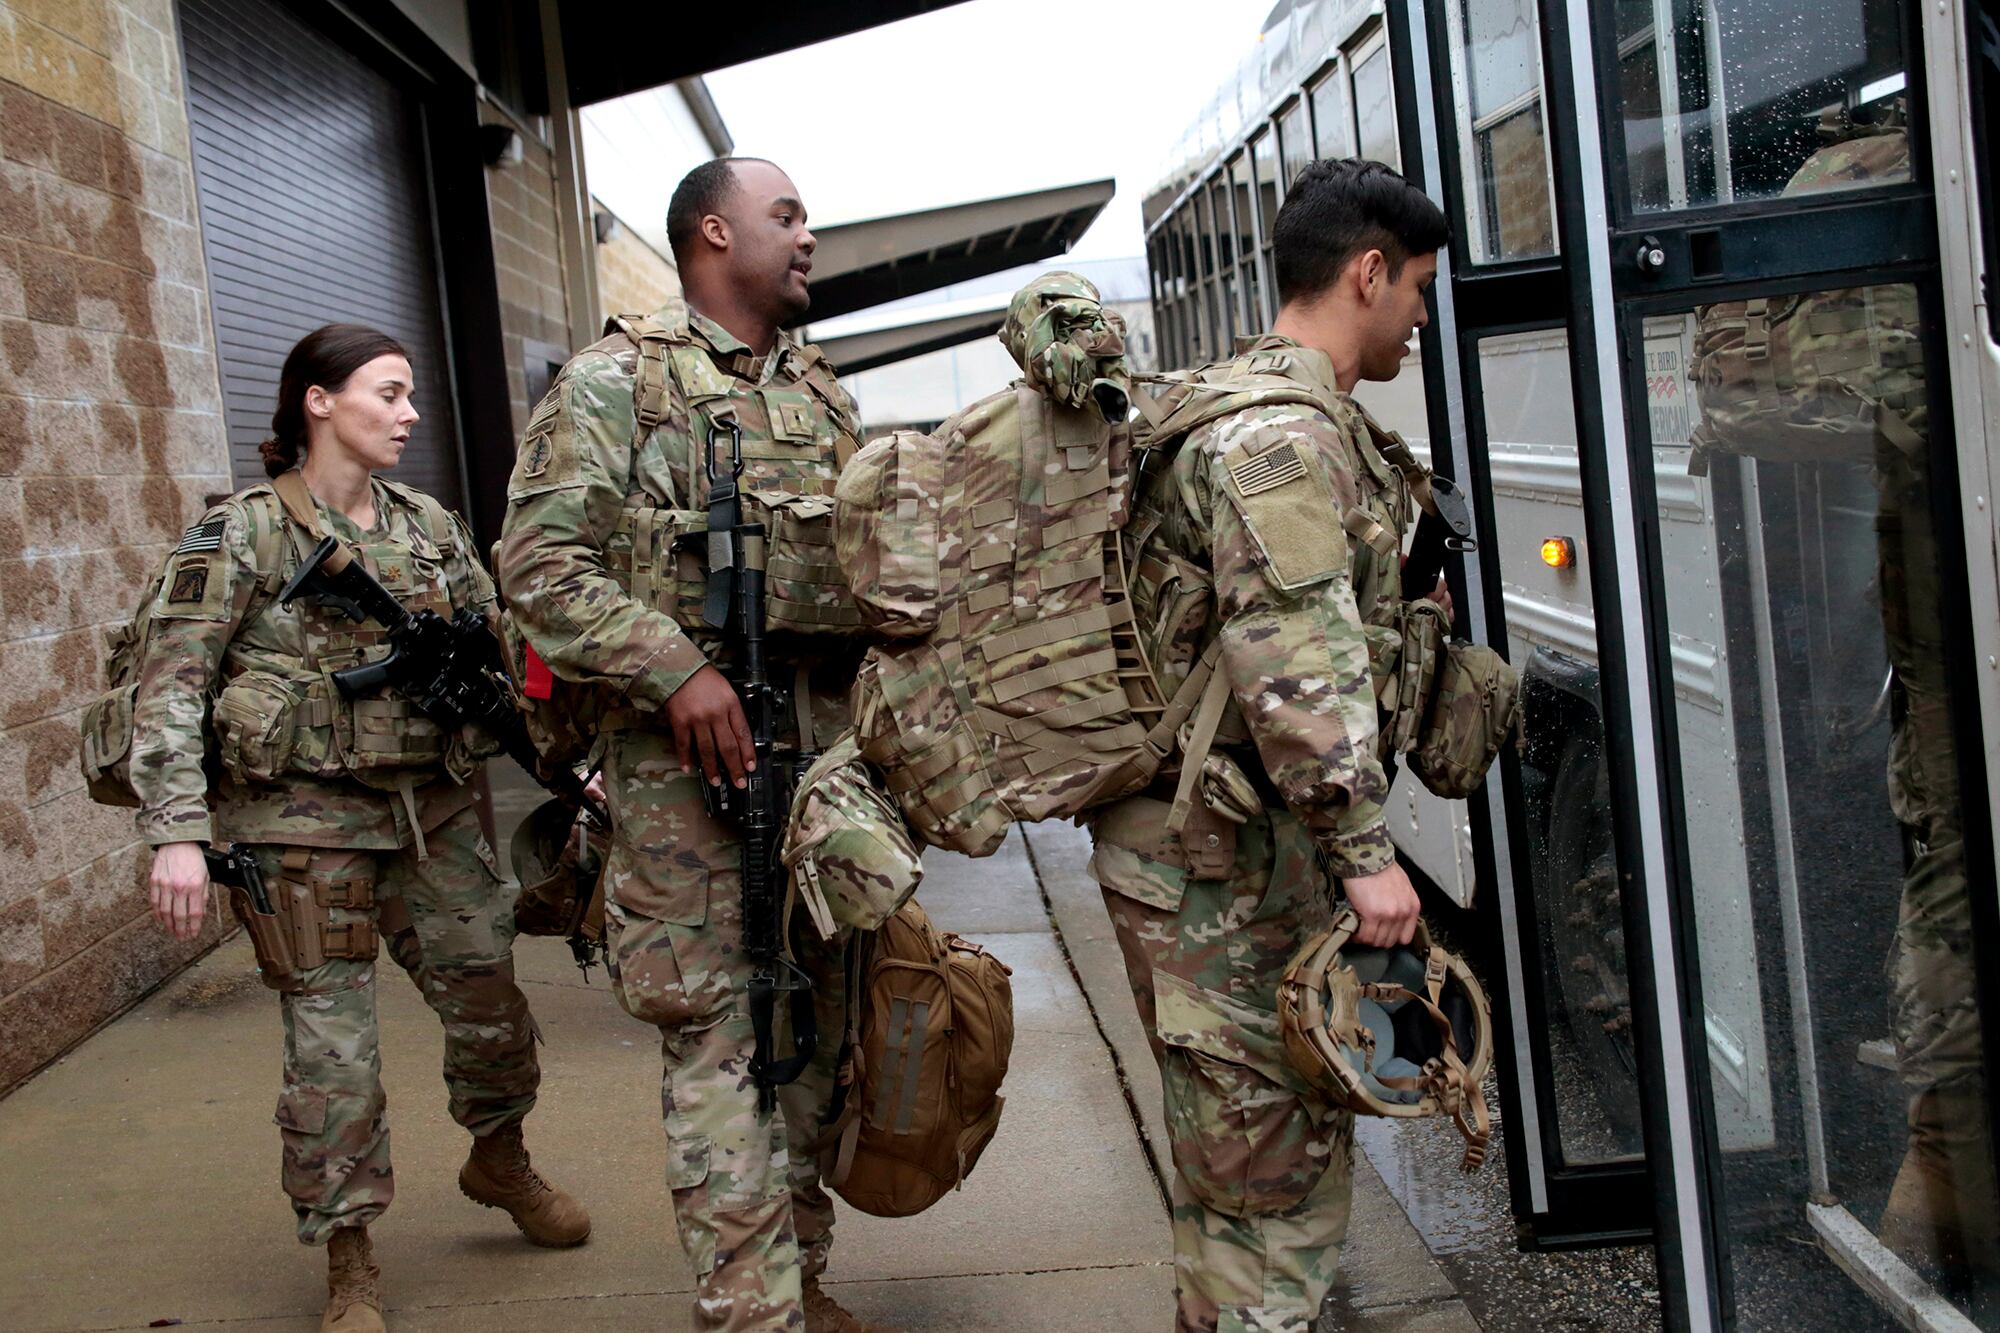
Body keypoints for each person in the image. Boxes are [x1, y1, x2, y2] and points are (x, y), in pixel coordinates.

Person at [132, 324, 589, 1333]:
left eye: (412, 395)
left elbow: (501, 662)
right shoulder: (241, 535)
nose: (409, 413)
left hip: (430, 817)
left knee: (493, 1011)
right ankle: (350, 1257)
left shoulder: (428, 525)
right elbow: (169, 689)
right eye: (387, 393)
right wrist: (175, 832)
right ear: (319, 401)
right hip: (303, 831)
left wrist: (571, 760)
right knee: (331, 1058)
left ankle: (498, 1156)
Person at [497, 158, 882, 1333]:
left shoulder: (822, 398)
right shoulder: (619, 383)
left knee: (818, 1043)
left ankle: (797, 1279)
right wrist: (678, 669)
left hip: (822, 778)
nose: (808, 236)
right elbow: (535, 568)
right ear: (715, 233)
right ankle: (748, 1314)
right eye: (786, 216)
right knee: (723, 1052)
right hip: (686, 793)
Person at [1087, 158, 1455, 1332]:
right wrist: (1363, 850)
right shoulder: (1283, 438)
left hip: (1204, 859)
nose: (1418, 315)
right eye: (1415, 289)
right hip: (1222, 882)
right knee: (1276, 1199)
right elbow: (1287, 646)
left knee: (1228, 1183)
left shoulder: (1235, 403)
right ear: (1365, 272)